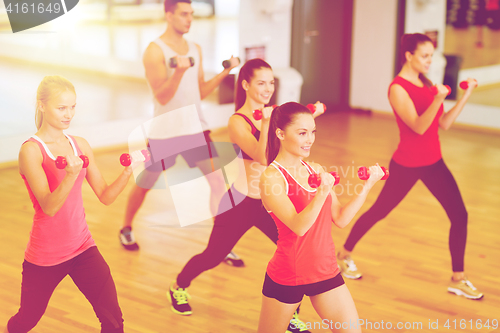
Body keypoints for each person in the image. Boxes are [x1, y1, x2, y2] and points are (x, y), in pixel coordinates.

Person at [168, 59, 324, 333]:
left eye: (271, 83)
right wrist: (266, 123)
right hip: (239, 202)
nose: (267, 89)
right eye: (261, 83)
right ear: (245, 85)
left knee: (294, 254)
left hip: (270, 202)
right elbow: (264, 157)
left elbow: (292, 138)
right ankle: (179, 285)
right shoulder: (237, 121)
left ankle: (291, 316)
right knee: (213, 255)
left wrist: (311, 116)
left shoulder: (273, 115)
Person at [336, 33, 484, 300]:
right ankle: (344, 254)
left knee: (460, 215)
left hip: (433, 162)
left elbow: (444, 124)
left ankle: (458, 280)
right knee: (379, 211)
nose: (430, 61)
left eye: (431, 55)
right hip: (407, 163)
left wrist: (465, 94)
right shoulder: (398, 88)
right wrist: (438, 98)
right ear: (409, 55)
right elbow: (418, 126)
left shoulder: (425, 82)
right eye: (425, 55)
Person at [5, 75, 143, 333]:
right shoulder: (31, 151)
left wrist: (127, 172)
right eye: (61, 108)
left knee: (113, 322)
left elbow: (105, 196)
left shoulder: (79, 145)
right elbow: (49, 206)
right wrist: (70, 175)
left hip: (83, 248)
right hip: (45, 257)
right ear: (42, 105)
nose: (68, 114)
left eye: (72, 107)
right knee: (26, 320)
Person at [119, 0, 243, 266]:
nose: (189, 19)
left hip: (196, 129)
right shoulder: (154, 51)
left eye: (191, 14)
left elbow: (201, 91)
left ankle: (221, 245)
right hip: (165, 132)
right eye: (184, 14)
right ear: (169, 15)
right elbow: (162, 96)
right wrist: (178, 72)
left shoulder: (195, 49)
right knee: (145, 185)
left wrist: (225, 72)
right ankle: (126, 227)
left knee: (217, 184)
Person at [257, 102, 384, 333]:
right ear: (280, 133)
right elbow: (299, 226)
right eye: (302, 133)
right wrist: (322, 191)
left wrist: (367, 186)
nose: (309, 139)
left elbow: (341, 218)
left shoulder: (314, 168)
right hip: (289, 273)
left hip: (325, 270)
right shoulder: (271, 178)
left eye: (313, 132)